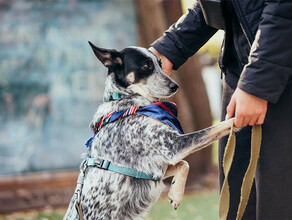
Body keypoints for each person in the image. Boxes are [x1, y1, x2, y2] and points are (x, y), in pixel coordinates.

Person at [149, 0, 292, 219]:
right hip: (241, 77)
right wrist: (171, 45)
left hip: (276, 84)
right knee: (239, 206)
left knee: (277, 206)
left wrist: (258, 84)